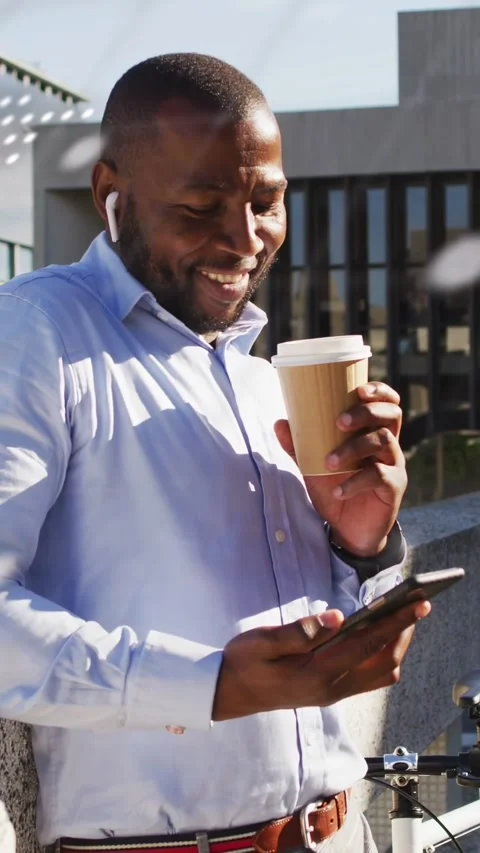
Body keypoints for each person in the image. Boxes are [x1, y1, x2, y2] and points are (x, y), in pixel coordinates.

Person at [0, 54, 430, 853]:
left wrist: (364, 542)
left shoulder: (263, 379)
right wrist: (212, 684)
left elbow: (310, 638)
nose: (245, 239)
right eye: (200, 208)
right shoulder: (35, 333)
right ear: (109, 194)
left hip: (340, 832)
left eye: (266, 203)